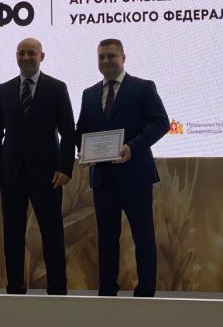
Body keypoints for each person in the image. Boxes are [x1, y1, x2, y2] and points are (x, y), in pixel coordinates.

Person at [76, 38, 169, 297]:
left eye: (111, 56)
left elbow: (161, 122)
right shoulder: (89, 94)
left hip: (136, 176)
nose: (106, 61)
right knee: (106, 239)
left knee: (143, 236)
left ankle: (145, 292)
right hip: (102, 178)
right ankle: (107, 291)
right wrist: (83, 150)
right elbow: (82, 130)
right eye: (101, 57)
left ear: (123, 58)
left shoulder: (143, 88)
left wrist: (133, 147)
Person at [0, 37, 75, 295]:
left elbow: (68, 131)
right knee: (12, 234)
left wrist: (66, 168)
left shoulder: (57, 88)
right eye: (21, 53)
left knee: (52, 233)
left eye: (31, 53)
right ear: (16, 56)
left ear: (41, 57)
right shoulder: (4, 89)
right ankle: (15, 287)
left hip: (48, 175)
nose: (26, 57)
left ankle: (57, 289)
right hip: (11, 173)